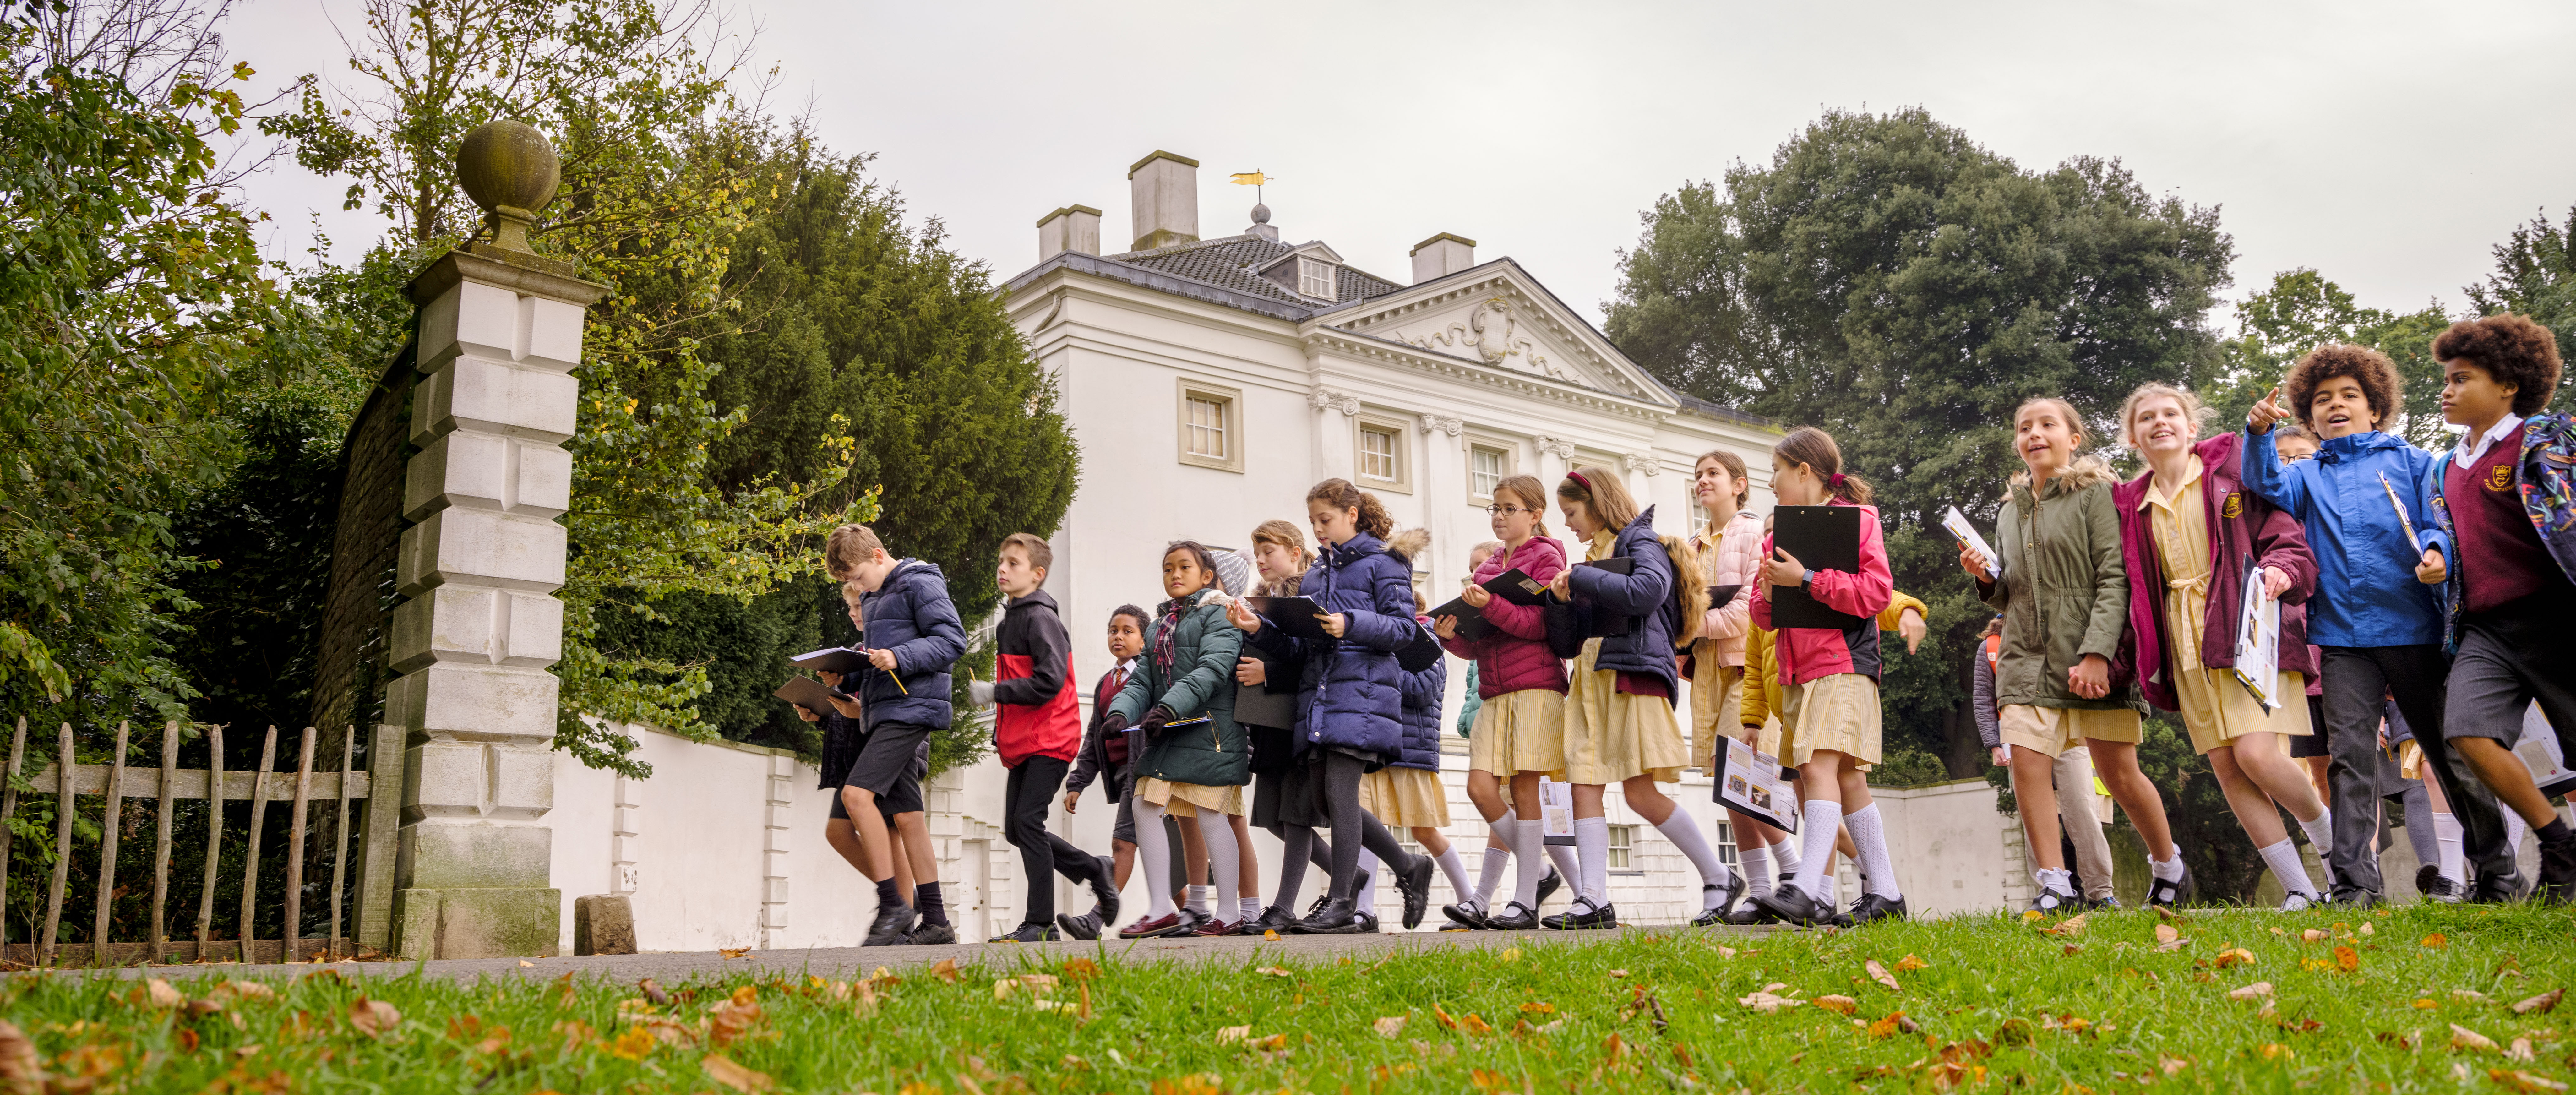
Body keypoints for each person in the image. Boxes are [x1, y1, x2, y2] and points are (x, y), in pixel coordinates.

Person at [2243, 345, 2524, 901]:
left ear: (2375, 408)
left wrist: (2438, 553)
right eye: (2322, 399)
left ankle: (2498, 873)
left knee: (2451, 755)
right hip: (2341, 639)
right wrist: (2256, 433)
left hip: (2415, 631)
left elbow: (2440, 521)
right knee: (2350, 761)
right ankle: (2355, 885)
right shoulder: (2305, 475)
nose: (2335, 405)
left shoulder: (2416, 463)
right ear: (2309, 416)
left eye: (2349, 395)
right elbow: (2266, 485)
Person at [1958, 400, 2186, 914]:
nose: (2034, 434)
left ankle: (2169, 864)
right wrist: (1985, 577)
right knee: (2027, 762)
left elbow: (2115, 577)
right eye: (2024, 428)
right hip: (2024, 656)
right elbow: (2011, 591)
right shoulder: (2009, 510)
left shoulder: (2097, 495)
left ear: (2074, 439)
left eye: (2047, 425)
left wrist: (2098, 654)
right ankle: (2054, 881)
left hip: (2089, 657)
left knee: (2120, 775)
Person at [2115, 383, 2335, 908]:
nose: (2159, 421)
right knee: (2228, 767)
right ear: (2132, 438)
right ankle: (2299, 889)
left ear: (2192, 427)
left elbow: (2286, 538)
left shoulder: (2233, 472)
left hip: (2246, 631)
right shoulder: (2131, 504)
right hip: (2185, 646)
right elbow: (2133, 589)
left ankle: (2344, 861)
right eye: (2146, 417)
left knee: (2258, 755)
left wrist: (2281, 570)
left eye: (2171, 413)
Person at [1229, 479, 1434, 934]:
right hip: (1320, 698)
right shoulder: (1317, 574)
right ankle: (1409, 866)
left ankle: (1342, 901)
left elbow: (1404, 630)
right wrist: (1259, 628)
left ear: (1351, 515)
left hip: (1363, 694)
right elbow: (1301, 647)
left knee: (1339, 795)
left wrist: (1351, 623)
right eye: (1313, 521)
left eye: (1325, 519)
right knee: (1323, 798)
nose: (1318, 529)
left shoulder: (1385, 562)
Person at [2419, 314, 2576, 901]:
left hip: (2555, 618)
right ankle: (2559, 845)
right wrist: (2438, 557)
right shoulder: (2446, 467)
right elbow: (2451, 535)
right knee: (2467, 733)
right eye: (2447, 379)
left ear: (2508, 384)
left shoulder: (2545, 438)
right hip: (2485, 628)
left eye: (2462, 379)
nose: (2447, 389)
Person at [1545, 466, 1728, 930]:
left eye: (1572, 512)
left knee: (1641, 793)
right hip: (1591, 680)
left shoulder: (1640, 542)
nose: (1567, 523)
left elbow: (1646, 593)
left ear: (1597, 505)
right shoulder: (1592, 557)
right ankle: (1593, 899)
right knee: (1583, 785)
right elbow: (1568, 643)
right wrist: (1560, 603)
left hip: (1631, 674)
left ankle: (1718, 876)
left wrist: (1581, 578)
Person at [1743, 428, 1905, 925]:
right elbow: (1760, 614)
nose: (1770, 481)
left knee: (1816, 768)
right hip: (1797, 672)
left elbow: (1876, 594)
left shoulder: (1859, 522)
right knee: (1847, 778)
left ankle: (1809, 889)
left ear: (1803, 471)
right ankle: (1887, 895)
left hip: (1843, 664)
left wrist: (1808, 580)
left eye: (1775, 470)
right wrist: (1773, 592)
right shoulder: (1774, 539)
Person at [1435, 480, 1573, 930]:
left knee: (1527, 791)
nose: (1498, 516)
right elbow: (1478, 647)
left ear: (1534, 514)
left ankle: (1524, 901)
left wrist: (1492, 605)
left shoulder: (1548, 556)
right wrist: (1451, 636)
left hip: (1536, 685)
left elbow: (1542, 626)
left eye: (1509, 508)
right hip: (1494, 692)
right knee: (1480, 788)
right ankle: (1540, 873)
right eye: (1494, 508)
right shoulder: (1488, 567)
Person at [966, 534, 1115, 941]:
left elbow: (1050, 682)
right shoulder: (1010, 621)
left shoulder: (1039, 618)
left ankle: (1040, 923)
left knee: (1028, 823)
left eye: (1013, 563)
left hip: (1050, 736)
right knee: (1017, 829)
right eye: (1001, 560)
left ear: (1037, 574)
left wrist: (995, 691)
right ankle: (1095, 868)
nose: (1002, 568)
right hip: (1025, 739)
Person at [825, 524, 968, 946]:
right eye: (850, 582)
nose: (857, 587)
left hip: (913, 708)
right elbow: (877, 662)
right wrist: (845, 674)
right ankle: (937, 921)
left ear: (877, 555)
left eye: (857, 576)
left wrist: (899, 656)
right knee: (908, 817)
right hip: (884, 709)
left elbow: (952, 640)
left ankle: (893, 904)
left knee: (856, 797)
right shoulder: (874, 595)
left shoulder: (919, 583)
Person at [1108, 542, 1254, 937]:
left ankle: (1229, 912)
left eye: (1184, 567)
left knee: (1210, 816)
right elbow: (1142, 681)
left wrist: (1168, 707)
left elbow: (1213, 669)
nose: (1174, 574)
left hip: (1210, 731)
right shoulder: (1159, 626)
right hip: (1170, 731)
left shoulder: (1221, 616)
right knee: (1144, 804)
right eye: (1168, 568)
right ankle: (1160, 908)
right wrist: (1120, 713)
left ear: (1206, 576)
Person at [798, 587, 926, 938]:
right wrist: (821, 714)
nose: (854, 612)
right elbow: (850, 711)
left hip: (891, 751)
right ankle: (902, 899)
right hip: (856, 755)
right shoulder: (853, 655)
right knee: (837, 833)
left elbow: (904, 708)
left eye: (859, 605)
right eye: (850, 606)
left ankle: (900, 918)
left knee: (890, 832)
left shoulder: (896, 652)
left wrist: (862, 712)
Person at [1969, 615, 2120, 909]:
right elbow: (1983, 698)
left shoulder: (2060, 626)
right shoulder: (1990, 647)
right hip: (2021, 737)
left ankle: (2101, 892)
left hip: (2069, 731)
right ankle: (2051, 890)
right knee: (2034, 818)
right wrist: (1993, 744)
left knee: (2083, 812)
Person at [1237, 521, 1342, 933]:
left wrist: (1269, 674)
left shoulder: (1308, 598)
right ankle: (1352, 875)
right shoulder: (1260, 602)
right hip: (1268, 722)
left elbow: (1312, 661)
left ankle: (1283, 906)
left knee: (1297, 816)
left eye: (1269, 552)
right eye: (1257, 554)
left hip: (1299, 719)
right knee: (1273, 817)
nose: (1261, 560)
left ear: (1296, 553)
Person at [1361, 565, 1465, 925]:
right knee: (1365, 825)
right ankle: (1363, 910)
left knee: (1424, 831)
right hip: (1376, 745)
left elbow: (1422, 690)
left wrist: (1383, 667)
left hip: (1411, 751)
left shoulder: (1427, 637)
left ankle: (1470, 900)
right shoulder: (1378, 638)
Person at [1057, 605, 1149, 938]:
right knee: (1156, 848)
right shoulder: (1105, 683)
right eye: (1113, 631)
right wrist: (1077, 783)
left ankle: (1094, 920)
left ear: (1144, 640)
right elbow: (1094, 737)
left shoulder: (1148, 677)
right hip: (1122, 774)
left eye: (1127, 631)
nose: (1118, 637)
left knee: (1123, 843)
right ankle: (1187, 915)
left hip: (1145, 773)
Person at [2272, 425, 2335, 803]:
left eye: (2301, 457)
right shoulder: (2266, 523)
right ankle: (2336, 840)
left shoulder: (2332, 516)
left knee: (2354, 764)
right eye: (2281, 459)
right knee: (2319, 771)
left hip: (2342, 656)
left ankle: (2365, 841)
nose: (2291, 466)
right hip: (2298, 666)